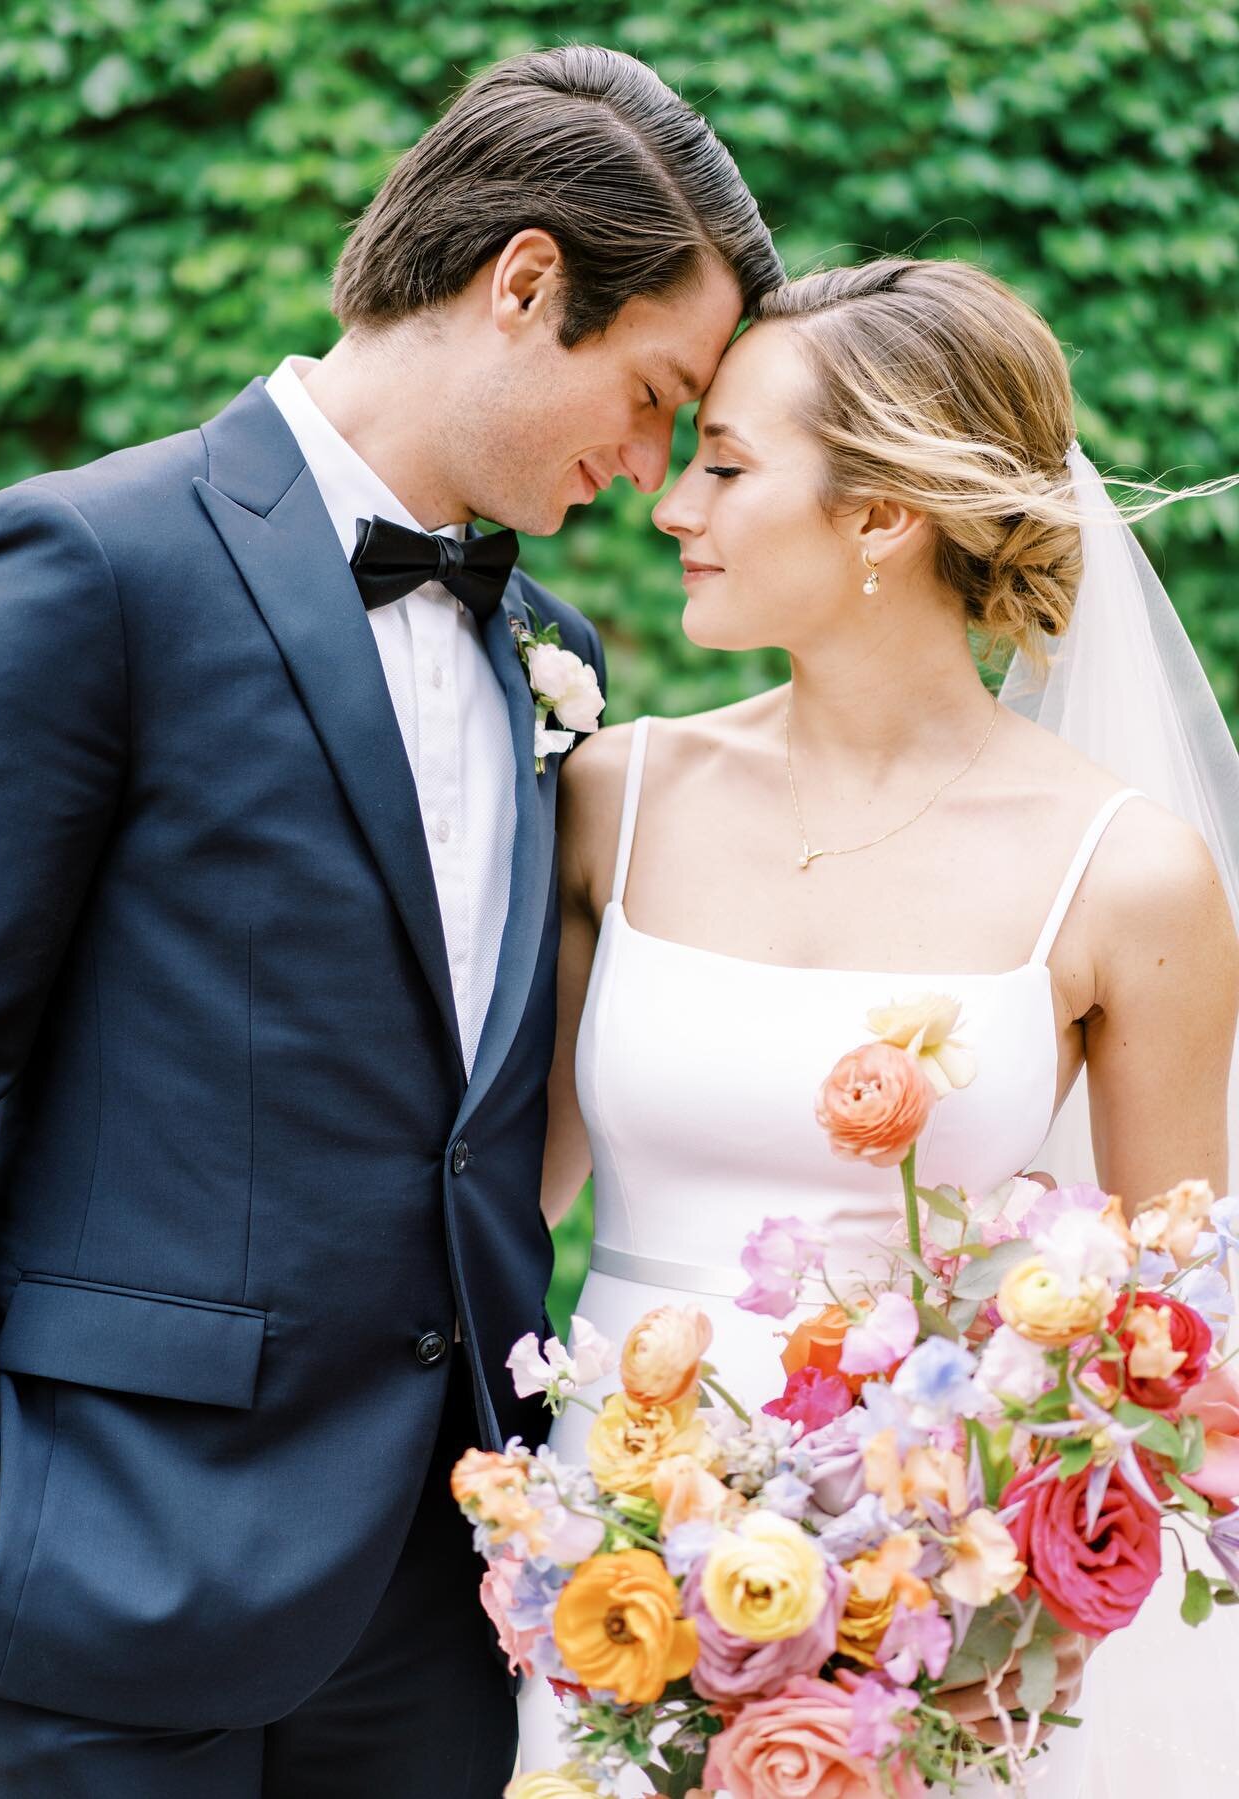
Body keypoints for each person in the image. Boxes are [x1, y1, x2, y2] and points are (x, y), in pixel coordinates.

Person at [0, 46, 782, 1798]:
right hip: (101, 1567)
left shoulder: (552, 650)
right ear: (527, 281)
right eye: (653, 395)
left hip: (443, 1593)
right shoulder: (85, 564)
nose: (650, 469)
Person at [519, 256, 1239, 1794]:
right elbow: (508, 1199)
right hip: (609, 1574)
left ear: (881, 516)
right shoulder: (609, 796)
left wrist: (1001, 1618)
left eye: (722, 466)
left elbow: (1171, 1336)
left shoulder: (1130, 874)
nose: (670, 507)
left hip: (940, 1620)